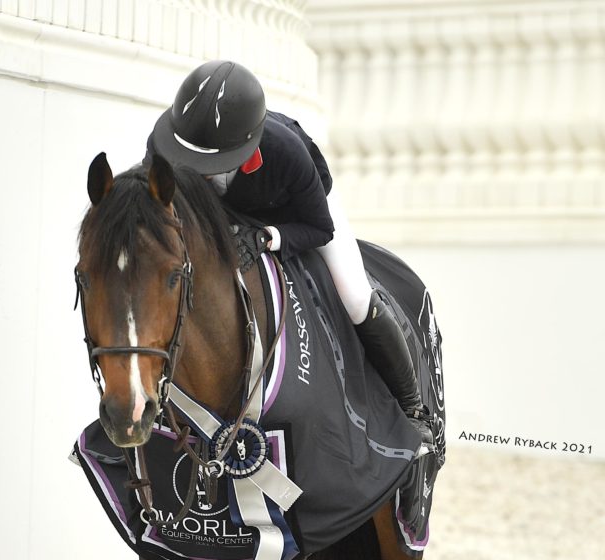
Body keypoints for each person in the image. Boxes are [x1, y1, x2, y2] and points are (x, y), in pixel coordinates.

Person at [147, 60, 429, 431]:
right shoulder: (163, 145)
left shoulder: (285, 151)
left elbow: (319, 228)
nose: (196, 171)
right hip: (225, 219)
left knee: (355, 296)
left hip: (295, 215)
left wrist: (269, 236)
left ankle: (412, 408)